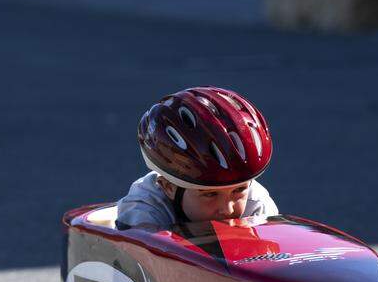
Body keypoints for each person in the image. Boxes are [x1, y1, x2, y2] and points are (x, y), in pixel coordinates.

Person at [116, 86, 279, 230]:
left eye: (239, 190)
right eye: (210, 194)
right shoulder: (143, 212)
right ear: (169, 187)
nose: (228, 210)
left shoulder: (257, 204)